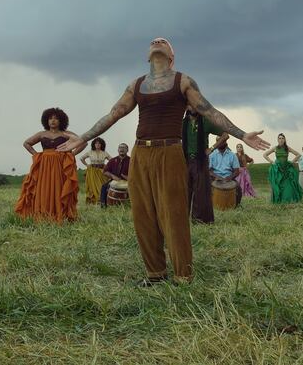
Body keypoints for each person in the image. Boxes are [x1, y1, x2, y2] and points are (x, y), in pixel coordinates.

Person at [57, 37, 269, 286]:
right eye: (153, 41)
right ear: (148, 55)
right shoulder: (135, 85)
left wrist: (242, 134)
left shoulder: (183, 81)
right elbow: (113, 114)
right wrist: (83, 137)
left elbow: (210, 111)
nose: (157, 41)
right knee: (143, 214)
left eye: (163, 42)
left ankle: (183, 276)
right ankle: (155, 274)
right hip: (141, 153)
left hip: (169, 152)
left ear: (171, 56)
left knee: (174, 213)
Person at [15, 108, 80, 223]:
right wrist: (37, 155)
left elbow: (82, 142)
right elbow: (26, 143)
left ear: (61, 121)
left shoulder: (65, 134)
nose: (53, 121)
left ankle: (60, 214)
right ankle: (43, 214)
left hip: (60, 165)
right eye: (50, 118)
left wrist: (71, 155)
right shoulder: (42, 134)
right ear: (46, 120)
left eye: (56, 118)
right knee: (43, 188)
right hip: (44, 166)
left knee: (59, 187)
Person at [182, 106, 228, 224]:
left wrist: (211, 148)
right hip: (185, 160)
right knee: (184, 191)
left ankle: (200, 221)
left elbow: (225, 135)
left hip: (200, 160)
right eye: (189, 104)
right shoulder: (182, 123)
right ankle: (182, 219)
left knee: (201, 191)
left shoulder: (205, 121)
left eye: (194, 104)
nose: (192, 106)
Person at [264, 134, 303, 203]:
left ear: (284, 140)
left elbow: (298, 155)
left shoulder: (287, 148)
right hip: (277, 169)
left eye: (282, 138)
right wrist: (271, 162)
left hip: (286, 169)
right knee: (278, 185)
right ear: (277, 140)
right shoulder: (275, 148)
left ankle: (288, 200)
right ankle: (278, 200)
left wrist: (292, 162)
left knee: (288, 186)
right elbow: (265, 154)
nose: (281, 139)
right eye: (279, 138)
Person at [208, 135, 242, 207]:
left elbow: (237, 171)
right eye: (218, 141)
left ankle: (236, 205)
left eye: (222, 141)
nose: (220, 143)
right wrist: (216, 177)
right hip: (215, 177)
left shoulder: (232, 155)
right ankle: (210, 204)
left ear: (226, 142)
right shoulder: (212, 155)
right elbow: (209, 171)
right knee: (206, 187)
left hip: (229, 178)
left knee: (238, 188)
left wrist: (229, 177)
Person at [80, 137, 110, 205]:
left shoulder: (104, 153)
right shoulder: (90, 152)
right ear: (94, 144)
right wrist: (87, 165)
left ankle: (101, 200)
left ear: (102, 144)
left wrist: (106, 166)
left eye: (99, 143)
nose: (98, 144)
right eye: (96, 143)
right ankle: (93, 201)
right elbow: (81, 158)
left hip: (101, 172)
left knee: (101, 186)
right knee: (92, 187)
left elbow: (111, 160)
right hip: (92, 171)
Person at [100, 143, 131, 207]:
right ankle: (103, 205)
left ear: (127, 150)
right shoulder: (112, 160)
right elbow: (105, 171)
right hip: (114, 180)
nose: (121, 149)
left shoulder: (131, 161)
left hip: (129, 181)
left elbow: (137, 173)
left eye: (124, 148)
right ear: (118, 150)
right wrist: (113, 176)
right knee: (104, 187)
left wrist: (129, 178)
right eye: (120, 147)